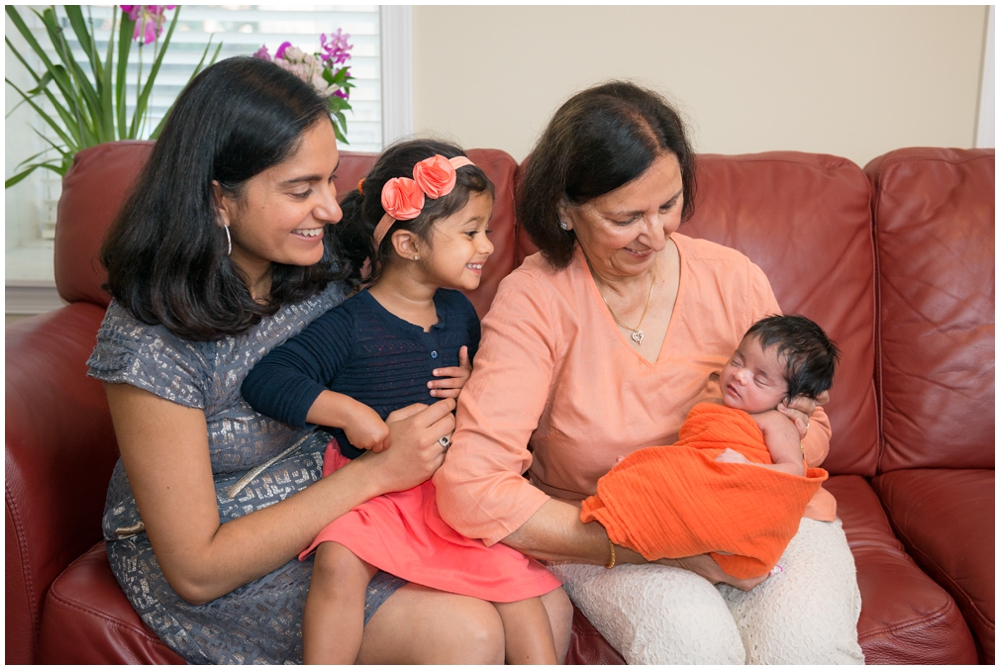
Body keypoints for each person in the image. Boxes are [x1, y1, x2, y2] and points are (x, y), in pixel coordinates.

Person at [87, 57, 522, 664]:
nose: (332, 210)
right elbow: (197, 568)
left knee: (531, 607)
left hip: (352, 504)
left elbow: (415, 292)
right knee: (466, 633)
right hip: (239, 559)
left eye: (329, 180)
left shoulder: (324, 261)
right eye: (301, 189)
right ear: (219, 200)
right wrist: (374, 474)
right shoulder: (150, 340)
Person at [433, 81, 865, 664]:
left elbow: (810, 424)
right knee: (693, 641)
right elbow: (473, 489)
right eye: (627, 217)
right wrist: (657, 545)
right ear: (564, 210)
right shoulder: (534, 300)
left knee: (807, 645)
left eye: (669, 206)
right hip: (610, 527)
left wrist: (773, 455)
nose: (657, 236)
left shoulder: (734, 278)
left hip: (761, 514)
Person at [241, 140, 566, 664]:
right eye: (470, 232)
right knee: (339, 562)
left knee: (523, 592)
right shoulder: (349, 324)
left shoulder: (460, 312)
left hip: (447, 486)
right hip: (372, 487)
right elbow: (270, 379)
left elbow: (498, 390)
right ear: (410, 246)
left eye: (486, 229)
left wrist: (471, 387)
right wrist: (351, 413)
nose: (486, 245)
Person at [582, 314, 840, 581]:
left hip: (742, 494)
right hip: (707, 488)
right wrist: (644, 463)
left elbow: (793, 472)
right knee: (662, 477)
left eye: (760, 379)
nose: (739, 375)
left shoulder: (777, 422)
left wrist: (749, 468)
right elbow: (689, 455)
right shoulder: (711, 409)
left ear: (790, 400)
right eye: (737, 360)